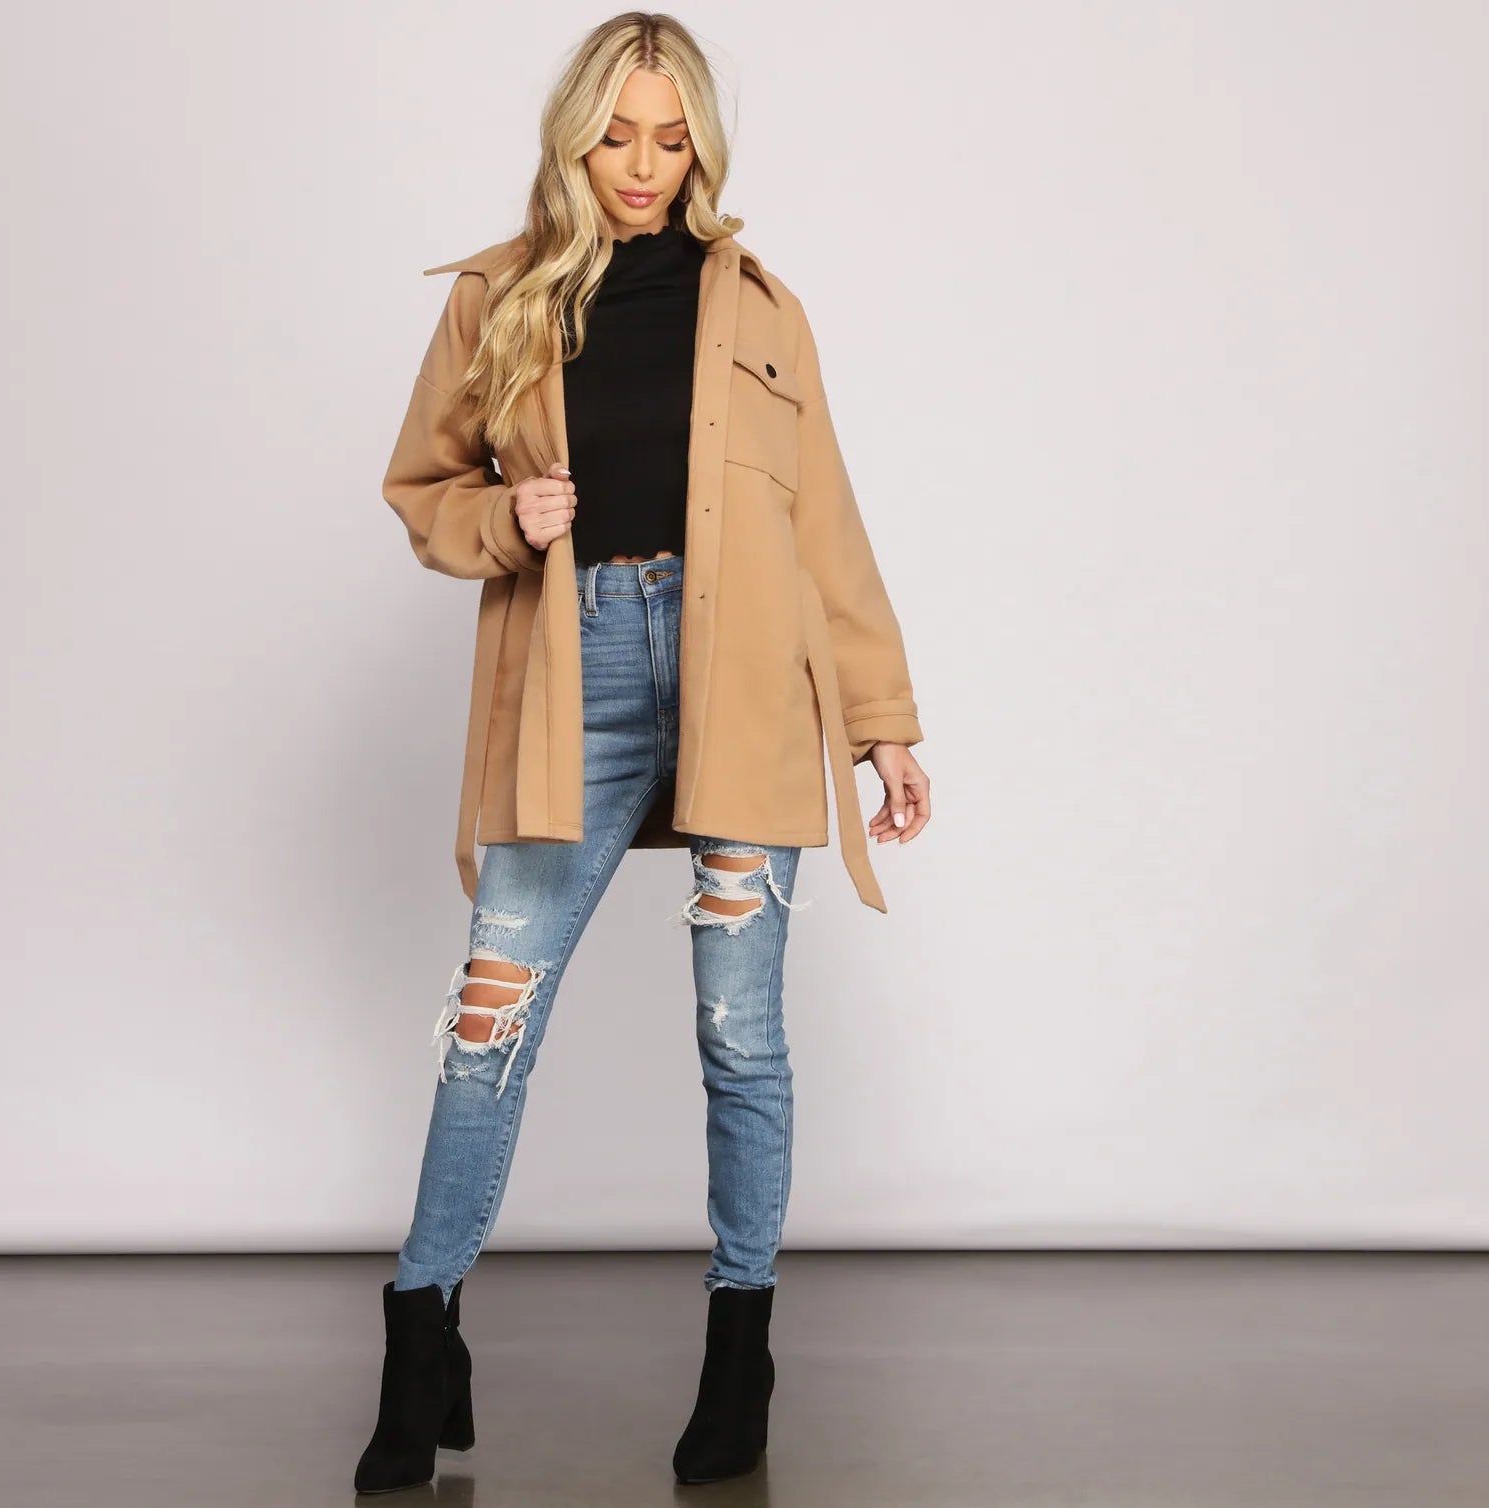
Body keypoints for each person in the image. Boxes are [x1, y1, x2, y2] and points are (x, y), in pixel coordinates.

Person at [355, 12, 932, 1494]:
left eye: (671, 140)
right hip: (582, 665)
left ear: (700, 149)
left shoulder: (764, 309)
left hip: (749, 677)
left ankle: (740, 1355)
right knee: (491, 1016)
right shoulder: (498, 295)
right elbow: (424, 488)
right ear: (574, 137)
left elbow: (825, 524)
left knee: (741, 1034)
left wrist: (883, 722)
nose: (642, 165)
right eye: (617, 135)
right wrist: (506, 519)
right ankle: (420, 1340)